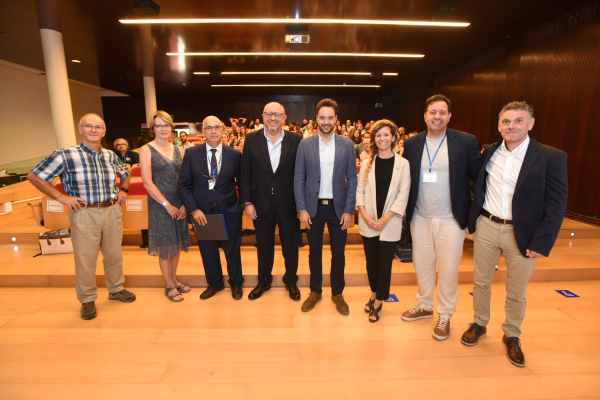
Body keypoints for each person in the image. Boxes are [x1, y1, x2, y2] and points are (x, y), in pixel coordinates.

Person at [461, 101, 568, 367]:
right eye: (506, 122)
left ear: (530, 124)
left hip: (523, 232)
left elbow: (556, 203)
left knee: (516, 291)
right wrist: (471, 222)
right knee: (481, 282)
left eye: (518, 121)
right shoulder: (491, 151)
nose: (511, 126)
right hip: (487, 225)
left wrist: (542, 241)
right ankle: (479, 323)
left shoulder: (550, 156)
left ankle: (512, 335)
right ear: (499, 126)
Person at [27, 113, 136, 320]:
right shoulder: (65, 155)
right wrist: (62, 197)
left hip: (112, 209)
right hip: (84, 212)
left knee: (114, 254)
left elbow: (126, 172)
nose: (94, 130)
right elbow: (34, 176)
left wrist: (124, 190)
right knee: (86, 258)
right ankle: (87, 299)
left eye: (98, 127)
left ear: (104, 132)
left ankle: (116, 289)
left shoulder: (111, 155)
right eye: (89, 126)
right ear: (80, 129)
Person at [401, 94, 481, 340]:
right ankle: (425, 305)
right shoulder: (413, 143)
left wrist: (473, 217)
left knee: (448, 270)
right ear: (425, 116)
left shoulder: (465, 141)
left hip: (450, 218)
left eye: (442, 112)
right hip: (420, 216)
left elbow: (478, 178)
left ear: (449, 116)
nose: (437, 116)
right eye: (432, 112)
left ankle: (445, 314)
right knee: (422, 265)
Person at [294, 98, 357, 315]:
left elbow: (352, 179)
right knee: (314, 252)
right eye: (322, 117)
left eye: (330, 117)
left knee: (338, 253)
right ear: (316, 119)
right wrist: (301, 209)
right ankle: (315, 291)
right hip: (313, 209)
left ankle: (337, 293)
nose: (326, 121)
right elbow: (299, 179)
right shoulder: (305, 144)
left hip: (339, 209)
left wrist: (349, 210)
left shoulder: (347, 145)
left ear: (336, 120)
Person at [240, 102, 303, 301]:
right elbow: (245, 173)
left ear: (285, 118)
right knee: (264, 247)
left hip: (289, 204)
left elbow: (302, 175)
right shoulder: (251, 139)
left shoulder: (297, 140)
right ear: (263, 116)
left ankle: (291, 281)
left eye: (277, 114)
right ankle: (264, 281)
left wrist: (302, 206)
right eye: (269, 114)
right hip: (260, 204)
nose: (273, 118)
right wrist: (247, 203)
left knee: (291, 247)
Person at [178, 116, 244, 300]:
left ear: (223, 130)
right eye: (209, 128)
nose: (213, 131)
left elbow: (242, 182)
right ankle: (215, 284)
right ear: (203, 131)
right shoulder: (191, 154)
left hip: (229, 209)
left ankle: (236, 283)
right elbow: (183, 185)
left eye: (217, 127)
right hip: (202, 212)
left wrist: (242, 205)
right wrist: (193, 210)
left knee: (232, 250)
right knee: (208, 251)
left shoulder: (234, 154)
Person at [356, 120, 411, 322]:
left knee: (384, 264)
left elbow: (403, 195)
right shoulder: (368, 163)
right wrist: (363, 213)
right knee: (371, 262)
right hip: (368, 221)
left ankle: (379, 300)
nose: (382, 139)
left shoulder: (403, 164)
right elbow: (359, 191)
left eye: (386, 135)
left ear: (394, 138)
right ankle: (373, 292)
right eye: (378, 136)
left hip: (390, 222)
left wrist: (386, 219)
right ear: (373, 140)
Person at [139, 111, 191, 302]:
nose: (163, 129)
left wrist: (185, 203)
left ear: (172, 127)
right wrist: (166, 205)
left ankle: (174, 279)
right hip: (160, 204)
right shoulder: (146, 149)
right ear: (153, 129)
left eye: (166, 125)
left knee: (176, 244)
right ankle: (168, 284)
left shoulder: (180, 150)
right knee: (165, 246)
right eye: (159, 126)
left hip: (179, 204)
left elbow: (186, 180)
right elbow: (147, 182)